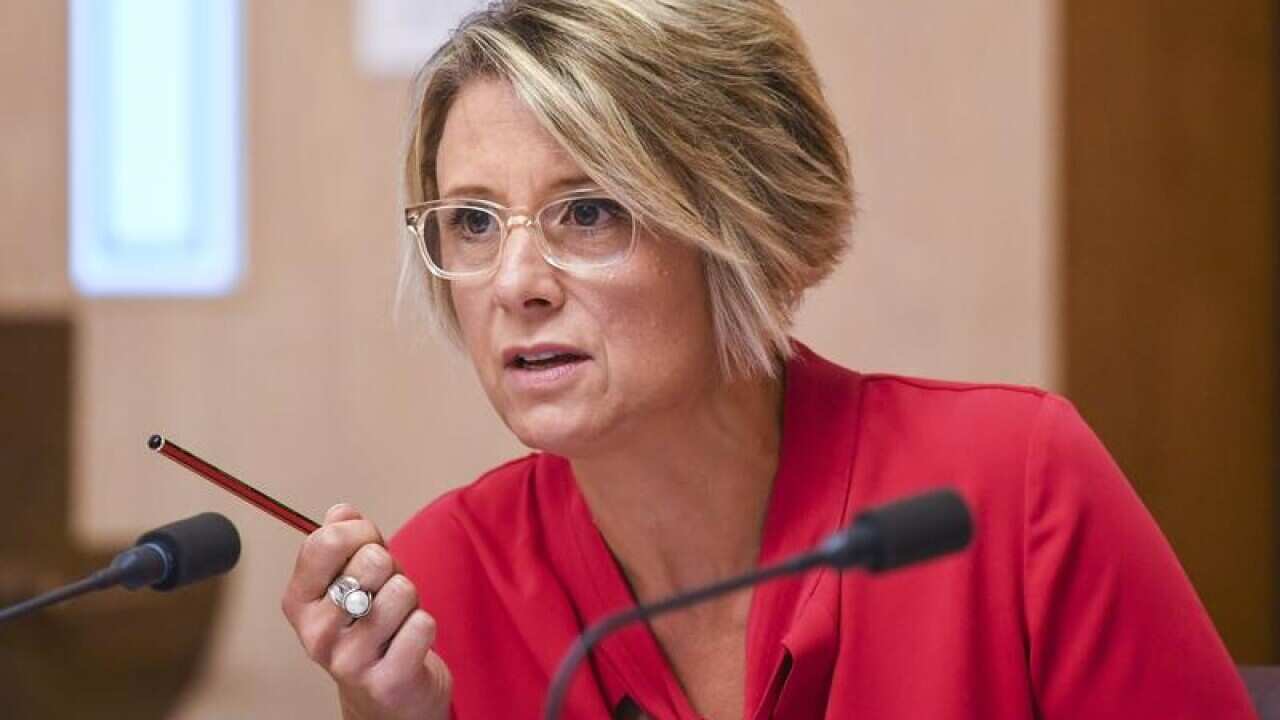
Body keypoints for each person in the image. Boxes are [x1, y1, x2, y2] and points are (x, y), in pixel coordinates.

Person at [280, 1, 1257, 718]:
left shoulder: (1008, 490)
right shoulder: (437, 589)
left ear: (741, 225)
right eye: (474, 222)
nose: (514, 281)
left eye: (588, 211)